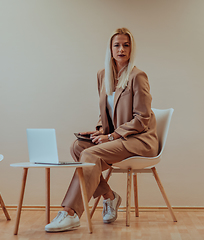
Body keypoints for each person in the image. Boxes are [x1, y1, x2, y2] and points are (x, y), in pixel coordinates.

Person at [45, 27, 159, 232]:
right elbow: (107, 111)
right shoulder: (102, 75)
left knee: (89, 154)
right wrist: (100, 130)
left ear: (132, 49)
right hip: (116, 137)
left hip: (139, 139)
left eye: (126, 45)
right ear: (110, 49)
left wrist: (112, 135)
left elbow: (143, 118)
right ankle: (110, 196)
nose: (121, 49)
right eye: (117, 45)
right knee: (79, 147)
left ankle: (70, 212)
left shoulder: (138, 76)